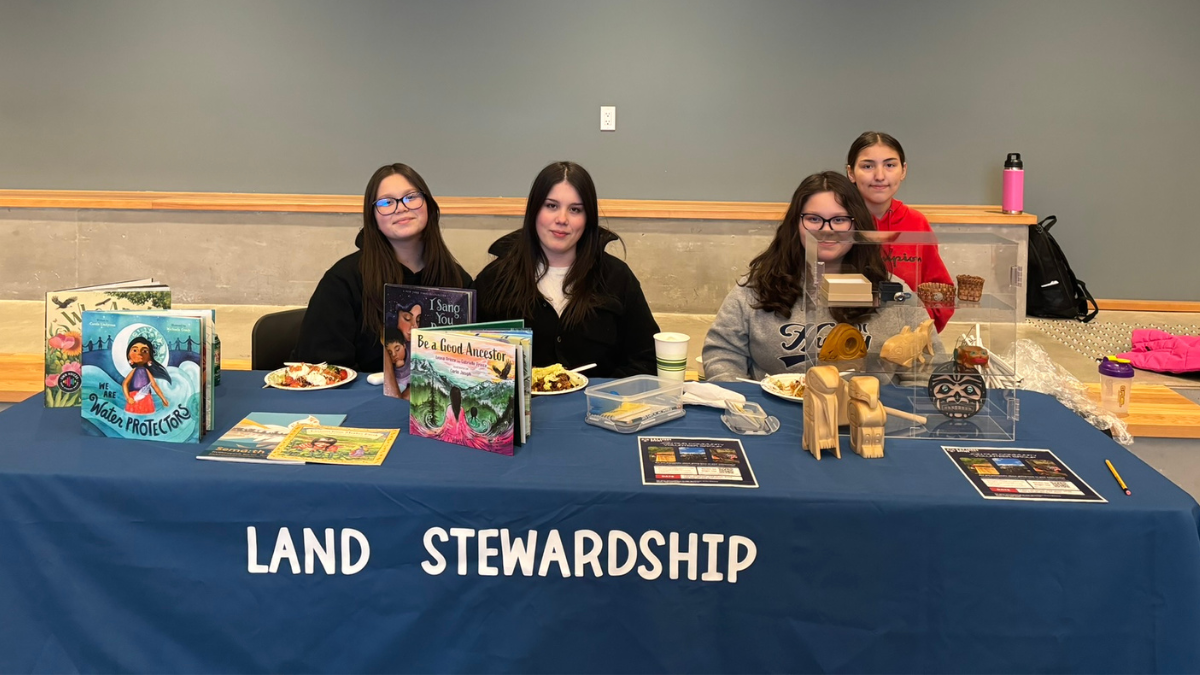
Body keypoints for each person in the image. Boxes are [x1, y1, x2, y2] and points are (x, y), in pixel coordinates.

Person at [703, 171, 941, 382]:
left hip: (867, 418)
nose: (827, 229)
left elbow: (927, 368)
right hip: (776, 419)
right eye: (814, 219)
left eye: (839, 219)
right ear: (796, 224)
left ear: (857, 225)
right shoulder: (758, 287)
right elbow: (722, 353)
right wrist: (745, 406)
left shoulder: (892, 290)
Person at [475, 161, 658, 378]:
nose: (562, 219)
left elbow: (647, 360)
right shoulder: (494, 280)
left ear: (587, 218)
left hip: (599, 409)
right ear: (534, 211)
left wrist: (608, 396)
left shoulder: (617, 278)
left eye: (575, 210)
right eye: (551, 206)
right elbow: (469, 364)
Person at [293, 164, 472, 372]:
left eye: (411, 197)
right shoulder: (342, 281)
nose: (402, 207)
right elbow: (324, 369)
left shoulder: (458, 281)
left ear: (429, 206)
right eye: (386, 202)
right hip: (358, 401)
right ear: (373, 218)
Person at [847, 131, 955, 331]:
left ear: (903, 170)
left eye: (890, 165)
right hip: (847, 338)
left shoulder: (917, 224)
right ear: (851, 173)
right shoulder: (838, 222)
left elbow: (941, 293)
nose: (880, 176)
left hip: (905, 340)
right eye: (867, 166)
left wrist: (918, 329)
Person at [122, 336, 170, 413]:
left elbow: (154, 385)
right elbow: (125, 384)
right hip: (134, 398)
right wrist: (128, 397)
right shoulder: (134, 371)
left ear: (150, 357)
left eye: (144, 351)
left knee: (146, 418)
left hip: (146, 399)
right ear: (129, 356)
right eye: (135, 350)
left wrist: (163, 398)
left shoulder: (147, 371)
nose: (139, 353)